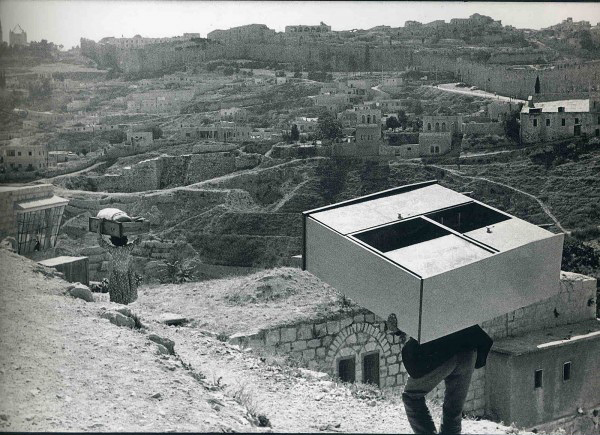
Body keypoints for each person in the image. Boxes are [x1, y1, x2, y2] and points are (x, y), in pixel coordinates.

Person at [388, 314, 493, 434]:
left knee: (411, 395)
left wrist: (398, 328)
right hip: (469, 347)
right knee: (453, 411)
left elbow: (419, 315)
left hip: (444, 347)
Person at [96, 211, 143, 305]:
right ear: (125, 239)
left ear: (113, 240)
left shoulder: (113, 250)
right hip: (125, 275)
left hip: (116, 276)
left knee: (116, 299)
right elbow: (139, 240)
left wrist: (99, 226)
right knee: (126, 297)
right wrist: (139, 228)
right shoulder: (128, 248)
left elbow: (100, 241)